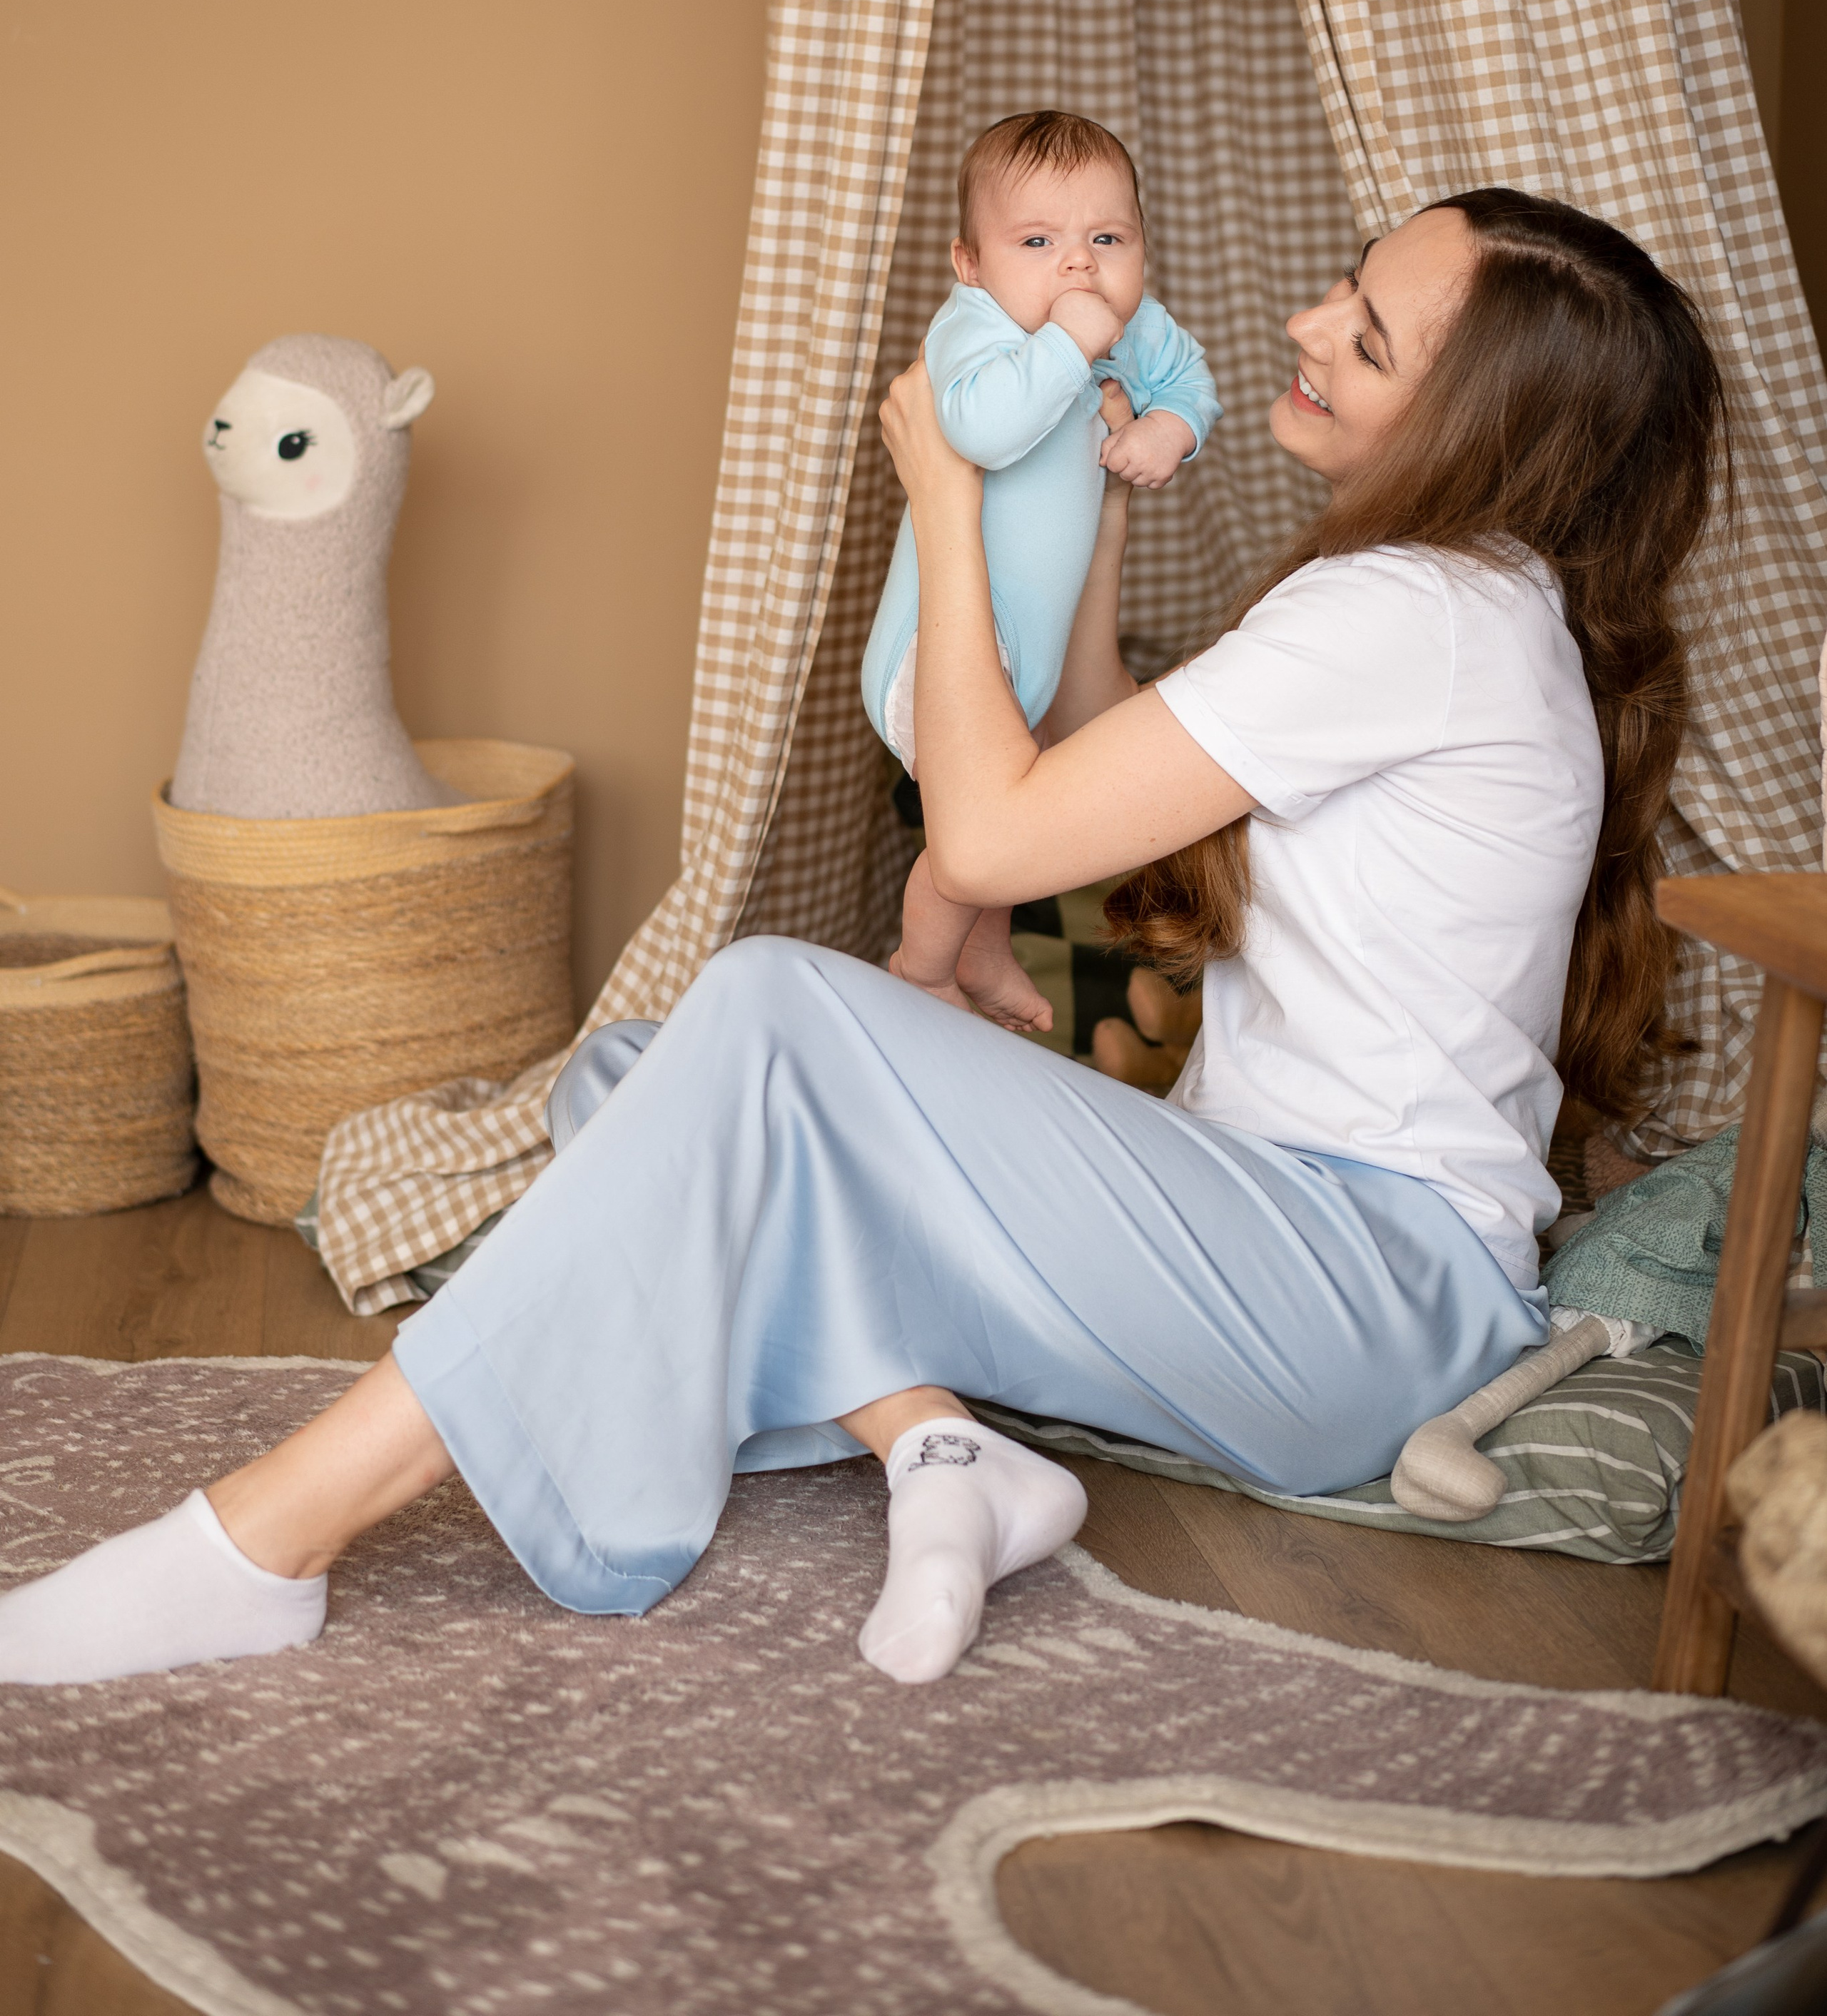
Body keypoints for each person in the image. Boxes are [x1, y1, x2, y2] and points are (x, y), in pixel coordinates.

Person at [0, 189, 1726, 1694]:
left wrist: (951, 499)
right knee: (649, 1073)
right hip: (1302, 1243)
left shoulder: (1409, 612)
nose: (1302, 323)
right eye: (1340, 288)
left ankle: (265, 1539)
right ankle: (939, 1446)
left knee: (756, 1010)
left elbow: (989, 832)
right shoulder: (1465, 607)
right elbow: (1119, 768)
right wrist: (1088, 509)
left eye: (1361, 333)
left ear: (1475, 431)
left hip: (1361, 1287)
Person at [861, 108, 1218, 1031]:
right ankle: (924, 968)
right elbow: (981, 427)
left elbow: (1190, 383)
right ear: (970, 264)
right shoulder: (972, 330)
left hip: (1026, 653)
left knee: (1019, 810)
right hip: (936, 657)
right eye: (1038, 241)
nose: (1078, 266)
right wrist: (1070, 344)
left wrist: (1164, 432)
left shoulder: (1124, 324)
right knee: (969, 837)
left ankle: (983, 954)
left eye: (1108, 238)